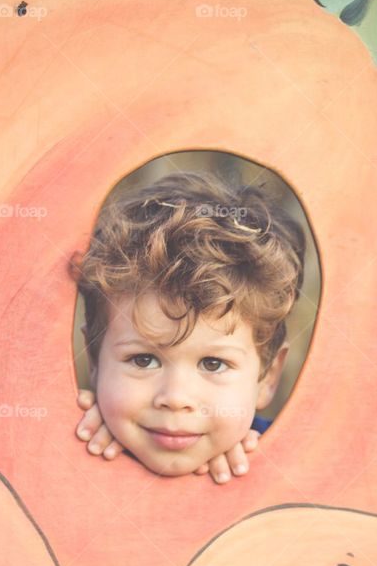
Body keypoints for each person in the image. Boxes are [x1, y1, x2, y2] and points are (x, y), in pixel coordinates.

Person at [69, 171, 305, 483]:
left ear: (267, 378)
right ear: (95, 359)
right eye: (143, 360)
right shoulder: (70, 440)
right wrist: (73, 441)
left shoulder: (295, 467)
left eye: (213, 363)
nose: (176, 398)